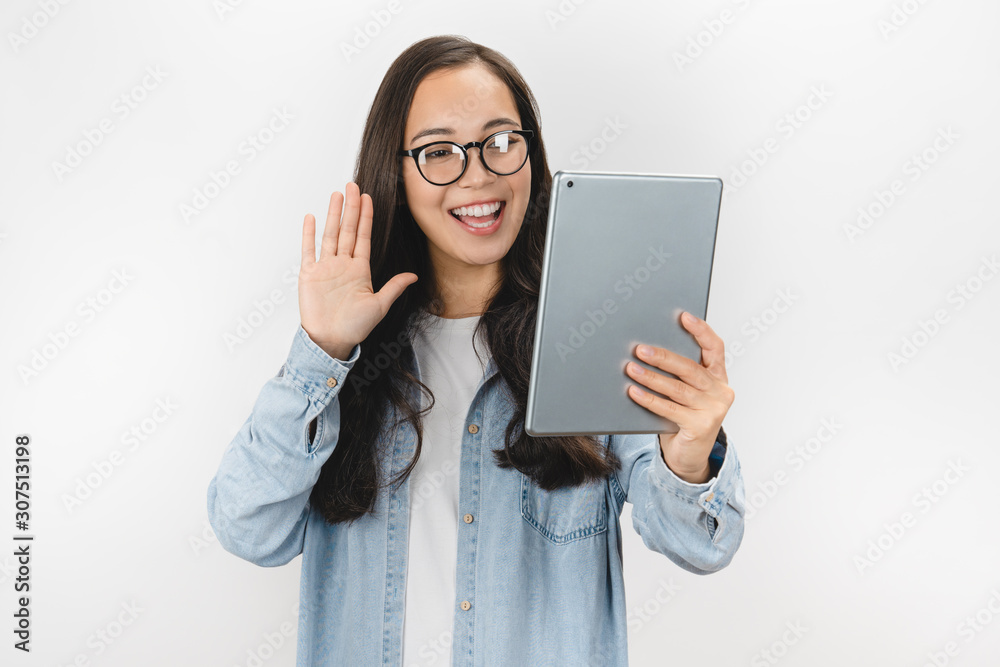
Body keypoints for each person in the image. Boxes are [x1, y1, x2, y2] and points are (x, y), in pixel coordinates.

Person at [207, 34, 745, 667]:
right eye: (440, 152)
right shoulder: (344, 364)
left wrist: (686, 458)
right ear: (397, 172)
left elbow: (703, 545)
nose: (479, 175)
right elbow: (248, 529)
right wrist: (321, 351)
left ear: (530, 154)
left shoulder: (598, 337)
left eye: (500, 142)